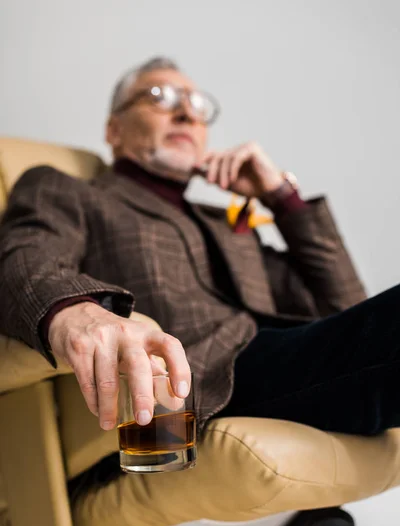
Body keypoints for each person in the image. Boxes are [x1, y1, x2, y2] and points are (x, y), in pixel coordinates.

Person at [1, 56, 399, 499]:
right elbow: (24, 257)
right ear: (114, 130)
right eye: (159, 98)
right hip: (202, 385)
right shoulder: (70, 191)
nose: (187, 112)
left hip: (288, 361)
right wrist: (74, 313)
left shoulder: (223, 221)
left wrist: (281, 199)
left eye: (195, 105)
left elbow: (344, 308)